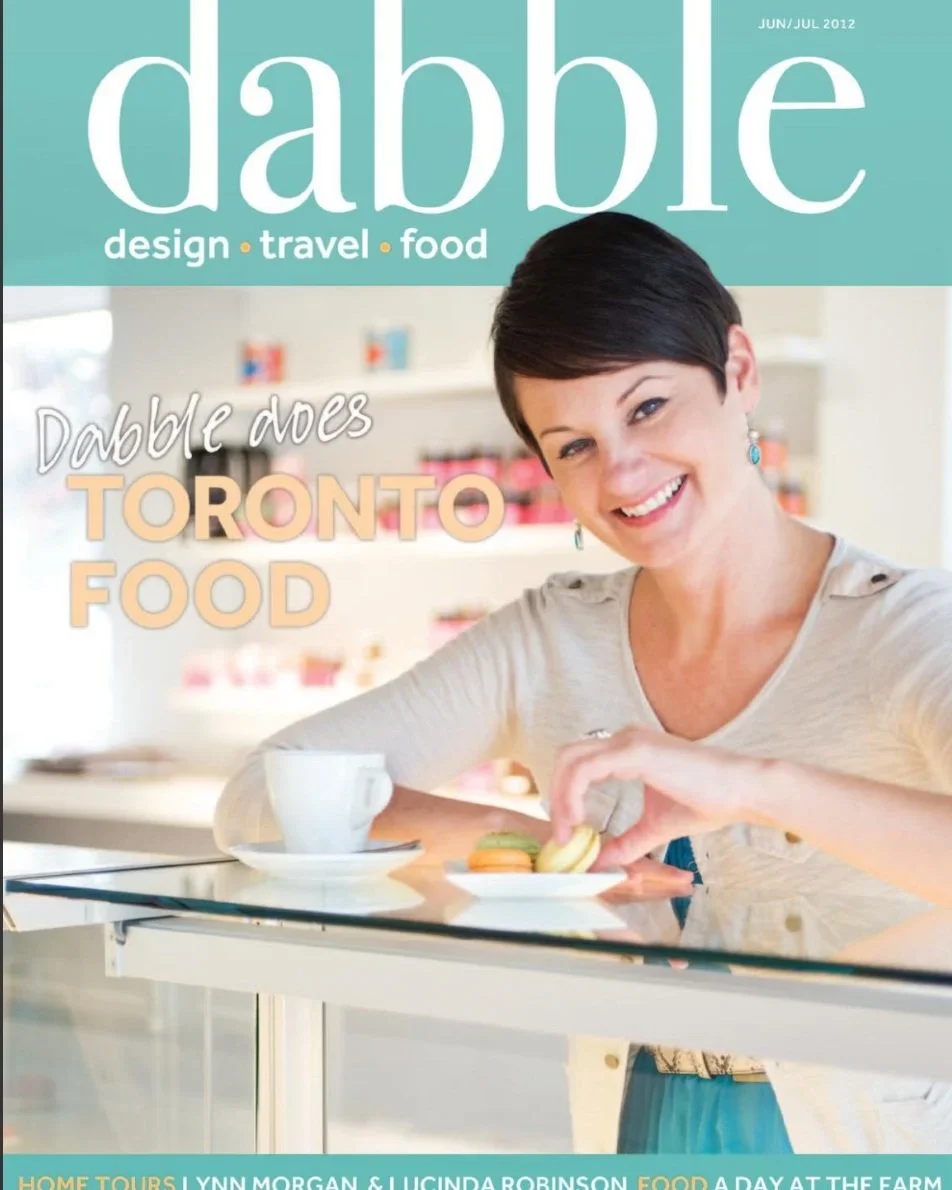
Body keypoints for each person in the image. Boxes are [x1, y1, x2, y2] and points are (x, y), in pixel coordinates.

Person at [214, 212, 952, 1154]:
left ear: (739, 371)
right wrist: (534, 851)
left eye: (647, 408)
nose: (623, 472)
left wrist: (755, 785)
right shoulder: (551, 639)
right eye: (573, 445)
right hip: (639, 1128)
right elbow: (258, 796)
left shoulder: (907, 628)